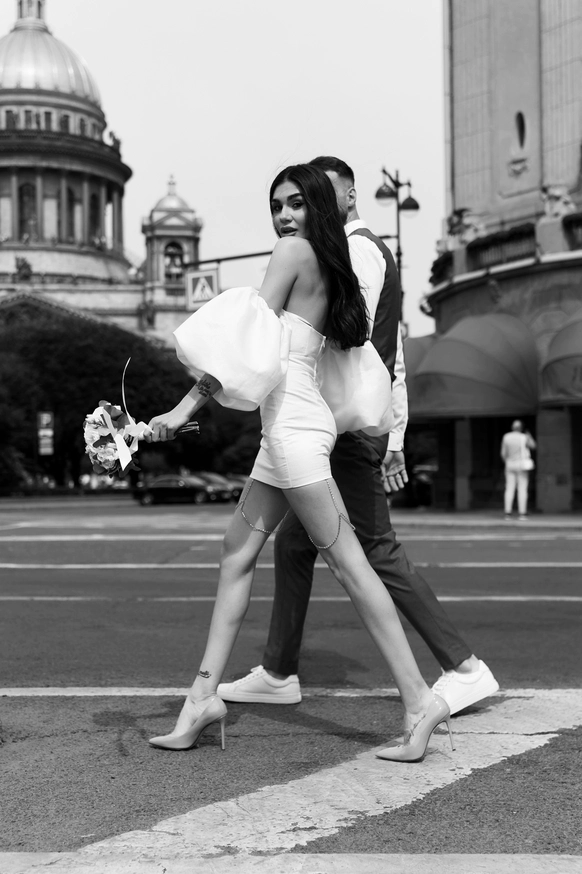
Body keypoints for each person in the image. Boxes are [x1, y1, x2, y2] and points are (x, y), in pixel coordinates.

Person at [144, 163, 453, 763]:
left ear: (318, 206)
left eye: (295, 203)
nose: (283, 216)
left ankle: (420, 701)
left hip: (294, 435)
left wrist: (181, 411)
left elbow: (246, 345)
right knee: (236, 554)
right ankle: (202, 698)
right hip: (285, 432)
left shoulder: (293, 253)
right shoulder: (331, 265)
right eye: (276, 205)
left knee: (351, 566)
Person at [217, 156, 499, 715]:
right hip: (332, 422)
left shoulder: (358, 250)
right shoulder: (340, 249)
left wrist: (389, 435)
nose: (305, 209)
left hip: (338, 425)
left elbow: (358, 343)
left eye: (316, 196)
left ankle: (464, 667)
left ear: (345, 197)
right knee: (294, 544)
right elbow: (387, 355)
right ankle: (278, 670)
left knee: (374, 548)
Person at [501, 420, 536, 521]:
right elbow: (533, 446)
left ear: (512, 427)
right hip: (521, 465)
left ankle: (507, 513)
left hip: (509, 464)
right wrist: (529, 436)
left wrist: (507, 462)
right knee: (522, 489)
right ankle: (522, 513)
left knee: (509, 488)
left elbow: (503, 453)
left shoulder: (506, 437)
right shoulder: (524, 437)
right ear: (521, 428)